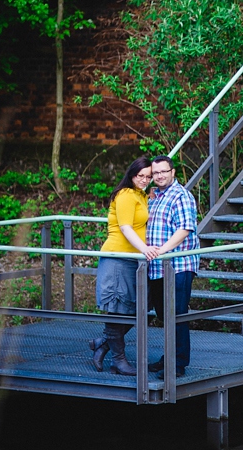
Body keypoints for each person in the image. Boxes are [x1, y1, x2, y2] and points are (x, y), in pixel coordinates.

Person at [89, 157, 153, 375]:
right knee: (117, 309)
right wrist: (145, 249)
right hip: (118, 258)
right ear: (131, 174)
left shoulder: (141, 195)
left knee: (137, 309)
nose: (144, 180)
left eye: (148, 176)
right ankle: (118, 360)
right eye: (140, 176)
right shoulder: (126, 195)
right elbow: (126, 228)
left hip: (133, 259)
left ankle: (103, 343)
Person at [143, 155, 200, 378]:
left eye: (163, 171)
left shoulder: (181, 196)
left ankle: (177, 364)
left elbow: (185, 229)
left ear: (173, 172)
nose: (159, 176)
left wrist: (162, 250)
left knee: (177, 313)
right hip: (157, 266)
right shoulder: (154, 196)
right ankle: (169, 356)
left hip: (178, 264)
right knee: (164, 314)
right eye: (155, 173)